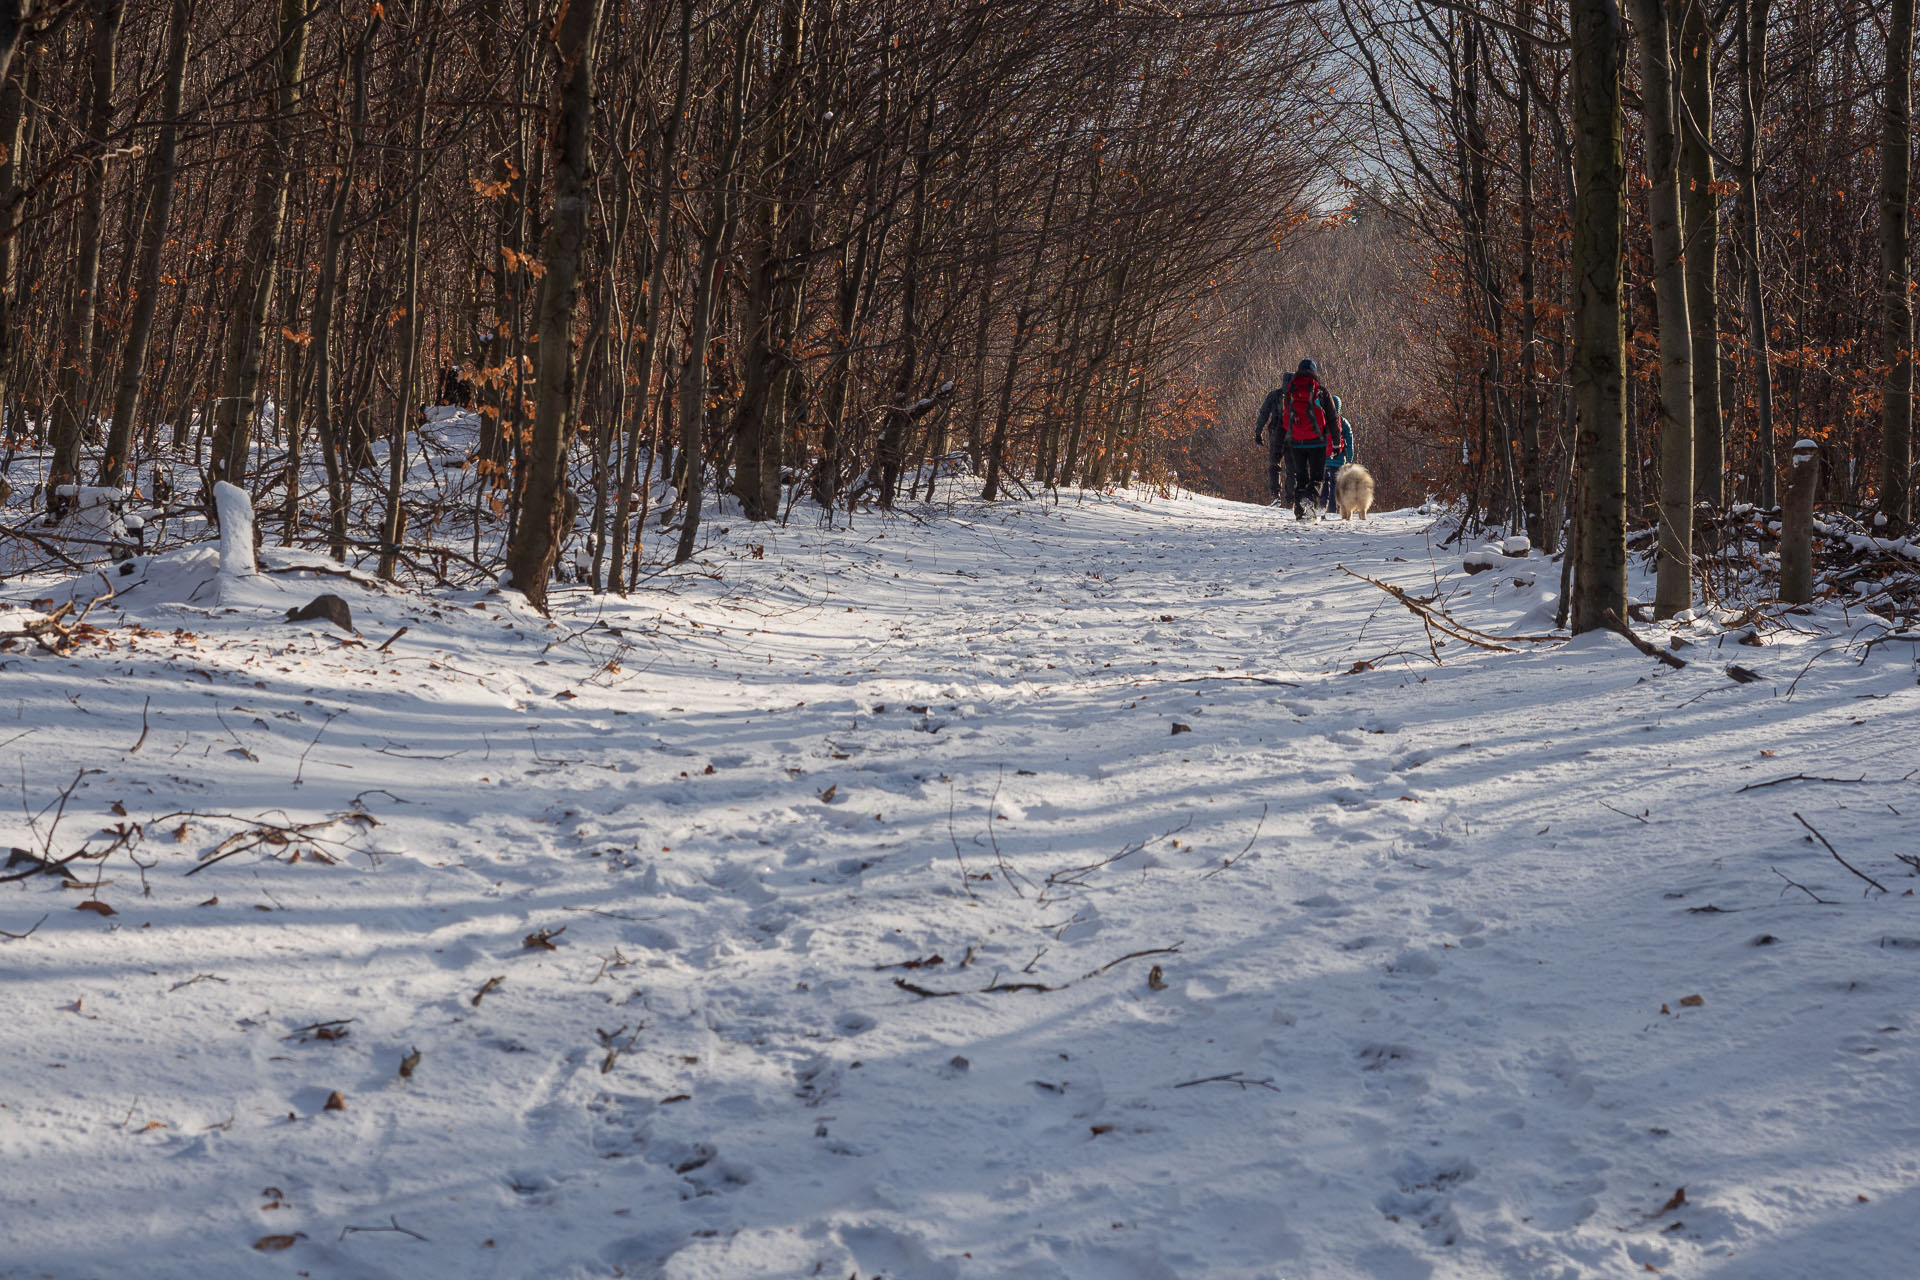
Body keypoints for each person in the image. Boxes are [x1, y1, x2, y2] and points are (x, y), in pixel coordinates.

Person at [1270, 358, 1340, 519]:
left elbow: (1282, 422)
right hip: (1317, 441)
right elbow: (1332, 419)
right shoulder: (1321, 391)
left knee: (1301, 477)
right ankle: (1309, 500)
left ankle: (1300, 512)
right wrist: (1336, 443)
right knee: (1317, 477)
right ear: (1314, 372)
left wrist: (1277, 449)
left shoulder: (1290, 392)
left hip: (1296, 441)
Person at [1322, 414, 1356, 512]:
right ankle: (1333, 509)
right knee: (1335, 485)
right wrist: (1350, 459)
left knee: (1323, 483)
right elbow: (1349, 441)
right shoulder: (1343, 422)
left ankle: (1322, 506)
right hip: (1339, 459)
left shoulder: (1322, 419)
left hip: (1324, 458)